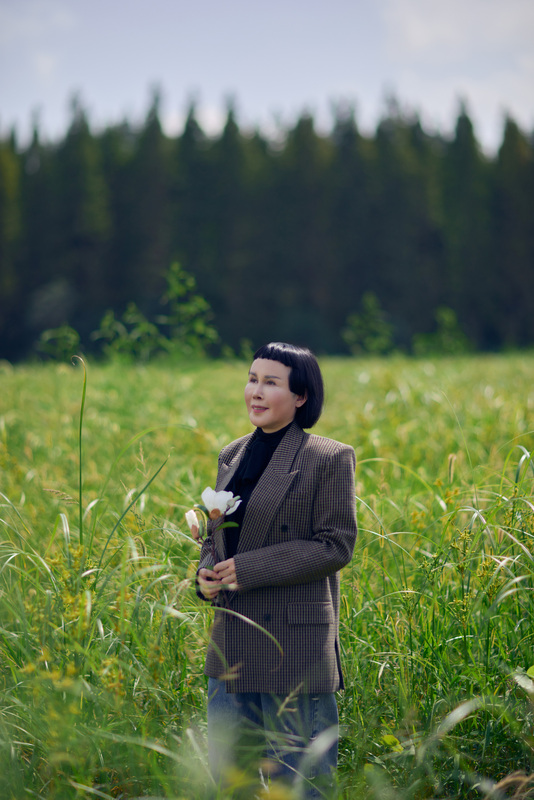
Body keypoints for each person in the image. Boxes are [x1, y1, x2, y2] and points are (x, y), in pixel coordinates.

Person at [196, 342, 358, 798]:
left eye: (271, 382)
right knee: (230, 784)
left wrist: (247, 569)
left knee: (303, 784)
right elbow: (219, 537)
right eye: (252, 379)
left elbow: (336, 545)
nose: (256, 391)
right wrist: (205, 574)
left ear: (300, 396)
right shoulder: (231, 454)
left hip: (294, 646)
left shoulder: (328, 457)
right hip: (232, 643)